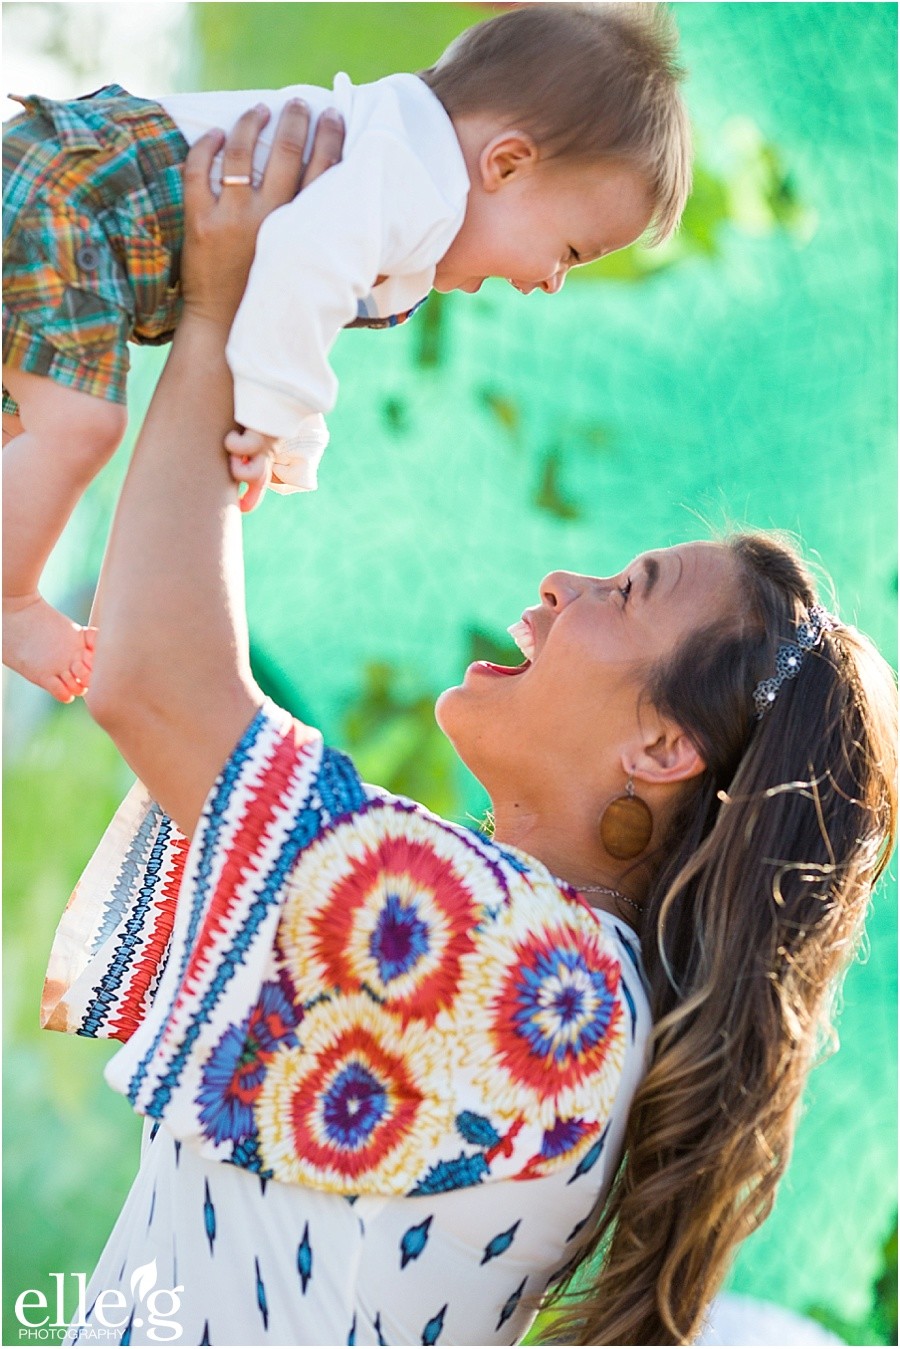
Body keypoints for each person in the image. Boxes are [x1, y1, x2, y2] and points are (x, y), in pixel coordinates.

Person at [41, 106, 896, 1347]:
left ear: (663, 752)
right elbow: (175, 683)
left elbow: (159, 682)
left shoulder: (549, 984)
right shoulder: (551, 969)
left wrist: (225, 315)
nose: (562, 584)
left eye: (627, 591)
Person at [2, 2, 690, 705]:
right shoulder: (416, 185)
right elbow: (300, 265)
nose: (550, 282)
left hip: (80, 202)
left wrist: (289, 428)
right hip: (82, 205)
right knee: (81, 425)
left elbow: (297, 298)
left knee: (23, 428)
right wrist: (269, 415)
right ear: (507, 163)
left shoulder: (394, 164)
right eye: (570, 252)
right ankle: (12, 603)